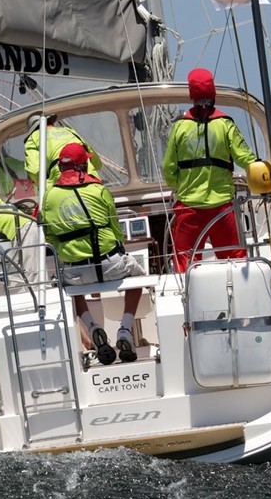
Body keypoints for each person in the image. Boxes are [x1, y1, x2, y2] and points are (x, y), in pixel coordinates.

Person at [42, 143, 145, 365]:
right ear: (83, 165)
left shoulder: (49, 197)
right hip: (110, 265)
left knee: (68, 288)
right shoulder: (99, 190)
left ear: (61, 168)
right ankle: (125, 330)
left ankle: (93, 328)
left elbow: (50, 237)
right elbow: (115, 228)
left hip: (76, 272)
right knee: (139, 276)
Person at [162, 68, 259, 272]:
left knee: (185, 264)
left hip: (189, 208)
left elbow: (168, 169)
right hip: (222, 207)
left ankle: (187, 301)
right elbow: (245, 158)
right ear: (213, 92)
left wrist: (180, 185)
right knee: (234, 259)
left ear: (191, 95)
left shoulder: (179, 128)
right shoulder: (225, 125)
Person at [23, 112, 102, 191]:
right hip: (90, 179)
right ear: (50, 122)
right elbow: (96, 162)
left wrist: (41, 184)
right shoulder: (69, 131)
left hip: (61, 181)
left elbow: (34, 171)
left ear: (33, 129)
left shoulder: (33, 138)